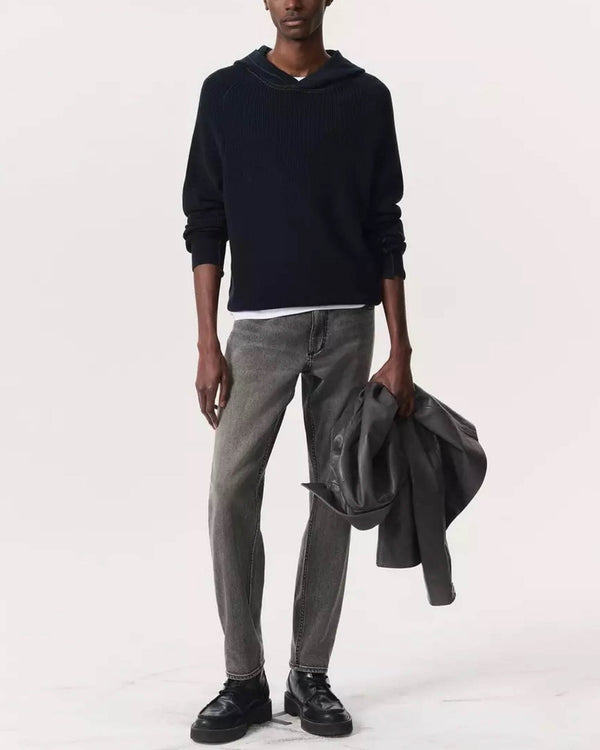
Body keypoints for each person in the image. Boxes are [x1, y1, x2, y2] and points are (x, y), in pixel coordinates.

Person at [182, 1, 414, 743]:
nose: (293, 2)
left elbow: (385, 223)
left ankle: (309, 674)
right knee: (230, 490)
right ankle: (243, 680)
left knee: (336, 496)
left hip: (348, 326)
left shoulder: (365, 96)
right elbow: (206, 220)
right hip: (259, 332)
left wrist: (401, 349)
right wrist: (208, 342)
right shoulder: (226, 92)